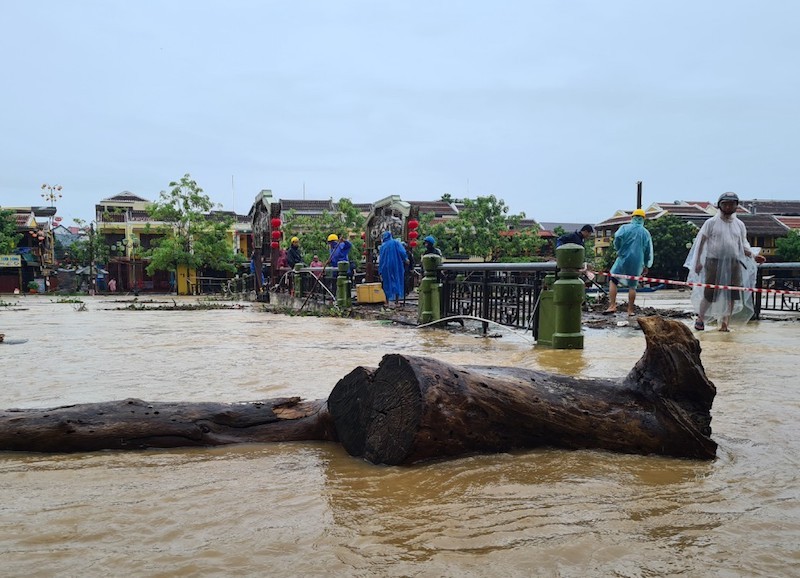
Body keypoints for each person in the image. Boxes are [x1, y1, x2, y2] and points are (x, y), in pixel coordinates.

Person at [684, 192, 766, 332]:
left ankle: (725, 323)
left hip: (734, 262)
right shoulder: (711, 223)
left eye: (731, 204)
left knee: (732, 293)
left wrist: (753, 255)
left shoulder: (739, 225)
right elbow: (701, 243)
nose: (728, 207)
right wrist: (697, 262)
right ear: (719, 205)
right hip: (713, 261)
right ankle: (701, 319)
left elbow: (743, 245)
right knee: (709, 292)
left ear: (736, 206)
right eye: (725, 204)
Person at [604, 208, 653, 316]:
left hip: (623, 257)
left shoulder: (625, 228)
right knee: (632, 286)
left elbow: (617, 237)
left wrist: (619, 248)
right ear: (643, 219)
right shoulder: (645, 233)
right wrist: (646, 264)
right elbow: (648, 251)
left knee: (613, 279)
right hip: (637, 261)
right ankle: (630, 310)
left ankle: (612, 305)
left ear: (632, 218)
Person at [378, 230, 408, 305]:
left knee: (386, 282)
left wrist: (380, 270)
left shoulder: (383, 246)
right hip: (396, 265)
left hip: (385, 266)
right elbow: (402, 252)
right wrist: (406, 259)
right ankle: (397, 301)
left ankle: (387, 301)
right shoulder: (396, 242)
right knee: (397, 280)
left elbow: (381, 258)